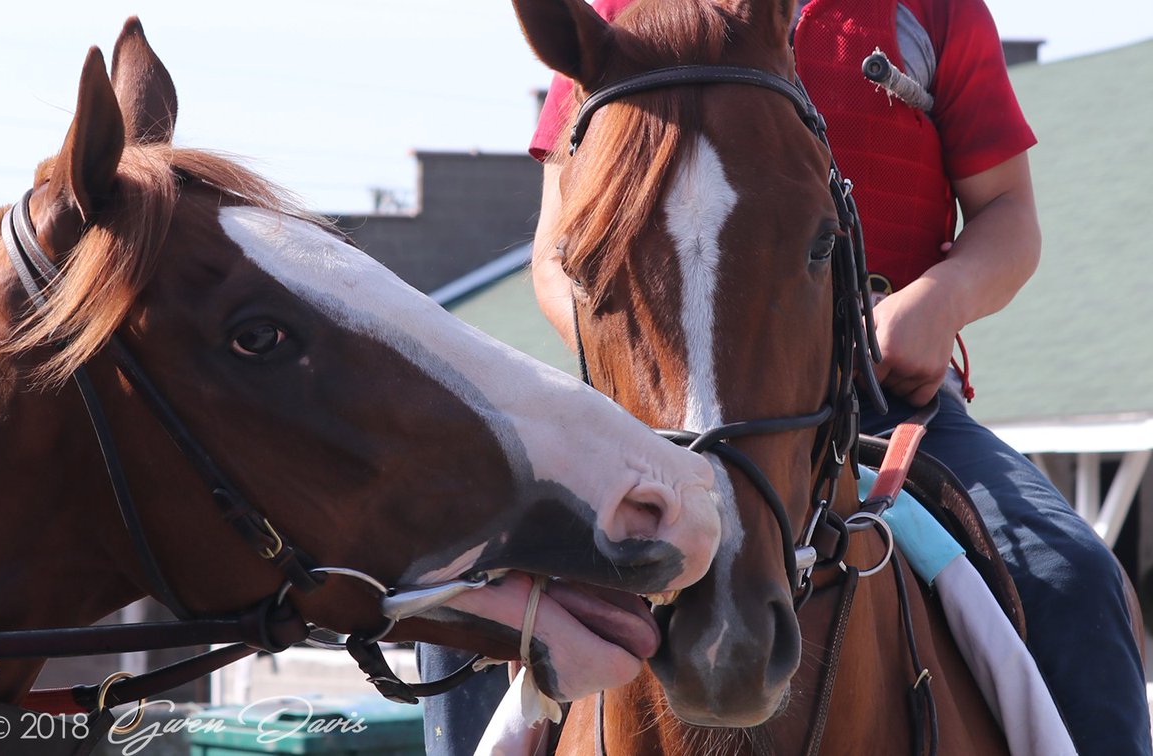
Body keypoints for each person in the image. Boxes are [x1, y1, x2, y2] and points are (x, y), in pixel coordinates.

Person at [420, 1, 1153, 754]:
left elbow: (1009, 215)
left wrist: (936, 304)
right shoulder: (614, 13)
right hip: (644, 412)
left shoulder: (934, 11)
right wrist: (644, 350)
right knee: (461, 576)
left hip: (885, 401)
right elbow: (556, 251)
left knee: (1072, 580)